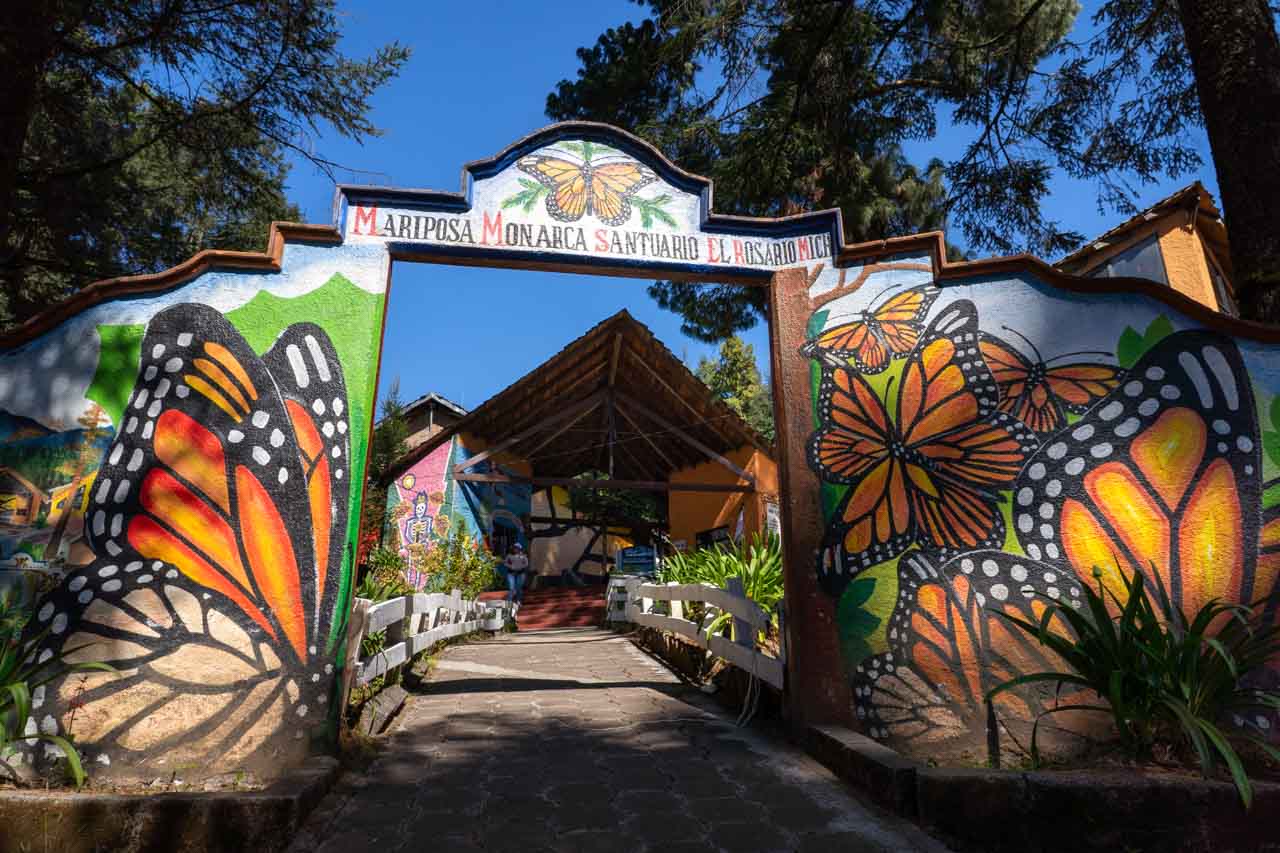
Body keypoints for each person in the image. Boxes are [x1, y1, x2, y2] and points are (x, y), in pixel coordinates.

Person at [503, 542, 530, 609]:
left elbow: (526, 563)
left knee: (519, 588)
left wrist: (521, 567)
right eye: (515, 548)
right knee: (511, 588)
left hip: (520, 573)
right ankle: (509, 603)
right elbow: (505, 563)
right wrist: (510, 566)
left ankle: (518, 601)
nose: (516, 549)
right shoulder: (509, 555)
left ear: (520, 549)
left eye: (517, 548)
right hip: (511, 573)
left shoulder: (523, 556)